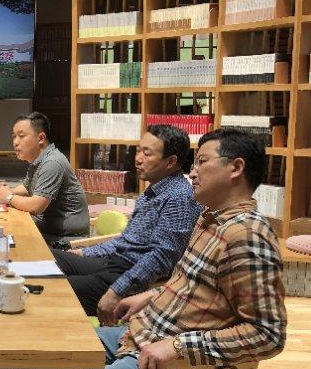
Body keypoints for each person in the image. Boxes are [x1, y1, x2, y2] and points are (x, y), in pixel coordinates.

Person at [33, 128, 287, 369]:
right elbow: (194, 286)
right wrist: (150, 296)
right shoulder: (212, 220)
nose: (192, 172)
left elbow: (268, 335)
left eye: (202, 162)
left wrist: (178, 347)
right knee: (51, 354)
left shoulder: (247, 237)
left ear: (236, 168)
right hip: (142, 335)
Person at [54, 124, 202, 321]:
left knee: (54, 288)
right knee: (52, 259)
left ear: (171, 161)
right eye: (138, 150)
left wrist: (116, 291)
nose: (138, 158)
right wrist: (83, 253)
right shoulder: (154, 190)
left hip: (132, 276)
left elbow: (161, 257)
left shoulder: (179, 197)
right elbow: (126, 240)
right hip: (115, 262)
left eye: (147, 154)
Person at [0, 112, 89, 243]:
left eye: (21, 136)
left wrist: (9, 197)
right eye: (14, 136)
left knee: (3, 240)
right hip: (46, 231)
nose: (15, 142)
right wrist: (6, 191)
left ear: (41, 138)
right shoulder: (38, 160)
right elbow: (27, 187)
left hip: (65, 240)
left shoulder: (52, 162)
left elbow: (36, 206)